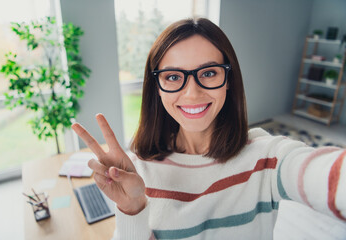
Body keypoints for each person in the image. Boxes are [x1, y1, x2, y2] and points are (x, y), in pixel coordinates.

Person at [71, 18, 346, 239]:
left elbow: (323, 174)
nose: (192, 93)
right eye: (173, 76)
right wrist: (131, 209)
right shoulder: (137, 172)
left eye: (209, 73)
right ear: (157, 87)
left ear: (228, 79)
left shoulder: (267, 158)